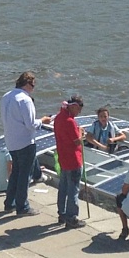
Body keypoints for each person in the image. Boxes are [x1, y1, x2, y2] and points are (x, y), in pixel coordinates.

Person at [0, 71, 42, 215]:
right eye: (33, 85)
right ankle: (22, 206)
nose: (33, 88)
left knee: (15, 173)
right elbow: (30, 124)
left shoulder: (6, 96)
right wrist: (43, 121)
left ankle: (9, 203)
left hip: (11, 141)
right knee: (25, 175)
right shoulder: (25, 99)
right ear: (27, 84)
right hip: (25, 142)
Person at [51, 94, 85, 227]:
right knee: (73, 190)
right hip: (73, 160)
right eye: (79, 109)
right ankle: (72, 217)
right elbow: (77, 142)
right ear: (74, 107)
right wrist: (81, 132)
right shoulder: (70, 121)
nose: (79, 113)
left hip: (63, 158)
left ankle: (62, 214)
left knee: (63, 187)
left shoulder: (59, 117)